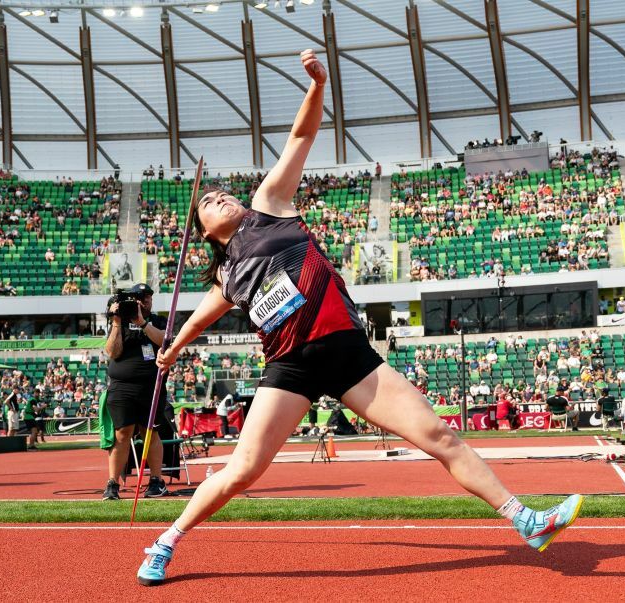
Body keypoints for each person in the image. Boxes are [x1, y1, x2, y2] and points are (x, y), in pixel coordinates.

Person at [135, 49, 583, 587]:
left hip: (350, 354)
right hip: (290, 370)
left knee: (439, 435)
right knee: (242, 473)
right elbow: (197, 321)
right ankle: (165, 542)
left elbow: (299, 140)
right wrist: (174, 347)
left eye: (223, 192)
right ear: (204, 231)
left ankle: (525, 519)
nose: (222, 197)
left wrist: (316, 87)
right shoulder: (225, 277)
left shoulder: (268, 206)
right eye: (210, 201)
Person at [102, 283, 171, 501]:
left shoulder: (159, 321)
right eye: (139, 298)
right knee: (121, 434)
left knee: (150, 432)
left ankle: (156, 481)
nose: (143, 301)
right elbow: (112, 352)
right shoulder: (118, 323)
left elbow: (165, 342)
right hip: (122, 386)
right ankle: (112, 484)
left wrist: (142, 323)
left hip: (152, 386)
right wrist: (116, 322)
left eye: (147, 297)